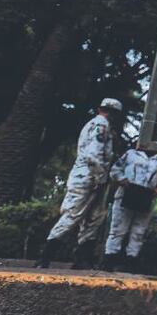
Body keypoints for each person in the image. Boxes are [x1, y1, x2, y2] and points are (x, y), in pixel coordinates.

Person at [36, 98, 122, 269]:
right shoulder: (101, 125)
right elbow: (93, 155)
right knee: (73, 214)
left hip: (93, 176)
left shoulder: (97, 124)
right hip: (89, 176)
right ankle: (45, 256)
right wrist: (98, 177)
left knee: (94, 217)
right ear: (112, 113)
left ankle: (83, 259)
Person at [100, 144, 157, 273]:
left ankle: (130, 262)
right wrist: (122, 180)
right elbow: (115, 170)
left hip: (147, 197)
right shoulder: (131, 154)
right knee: (118, 229)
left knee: (138, 232)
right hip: (126, 193)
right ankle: (109, 261)